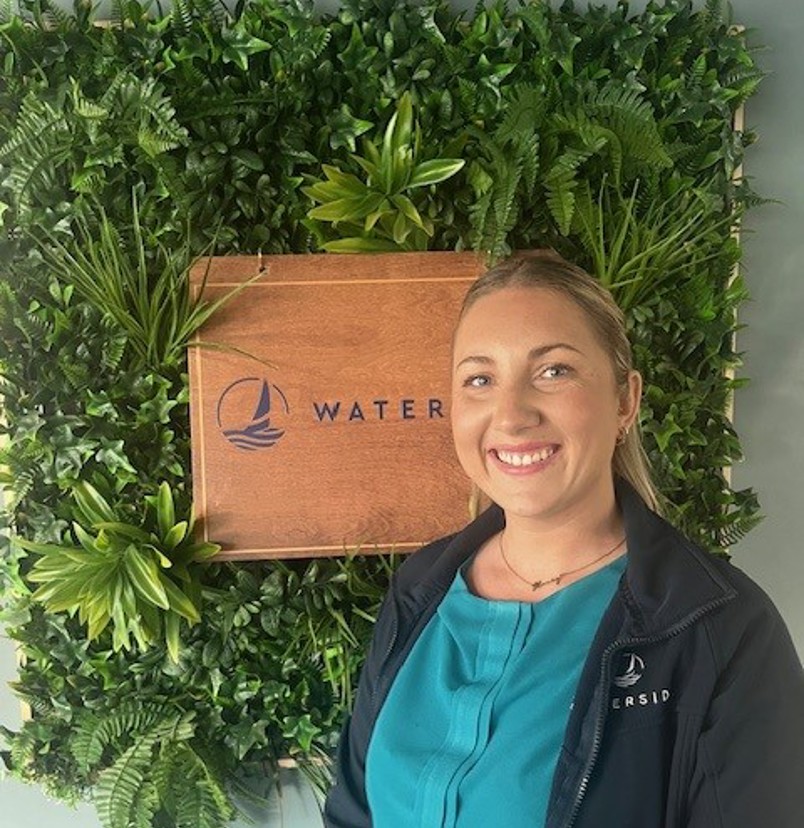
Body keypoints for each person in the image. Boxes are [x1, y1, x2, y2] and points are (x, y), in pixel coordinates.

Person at [323, 253, 804, 828]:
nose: (511, 415)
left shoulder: (720, 631)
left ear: (625, 400)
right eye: (480, 379)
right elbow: (352, 812)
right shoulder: (420, 591)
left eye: (554, 371)